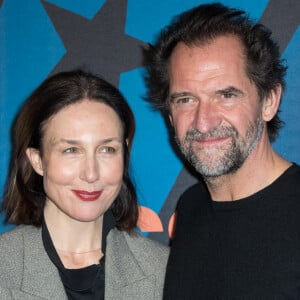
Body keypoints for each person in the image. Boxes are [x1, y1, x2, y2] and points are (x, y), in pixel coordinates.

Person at [144, 2, 300, 299]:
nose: (203, 123)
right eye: (186, 100)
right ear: (169, 115)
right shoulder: (190, 207)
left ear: (269, 101)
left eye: (226, 95)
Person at [0, 69, 169, 299]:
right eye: (71, 150)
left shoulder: (163, 271)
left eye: (107, 150)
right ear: (38, 160)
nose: (91, 174)